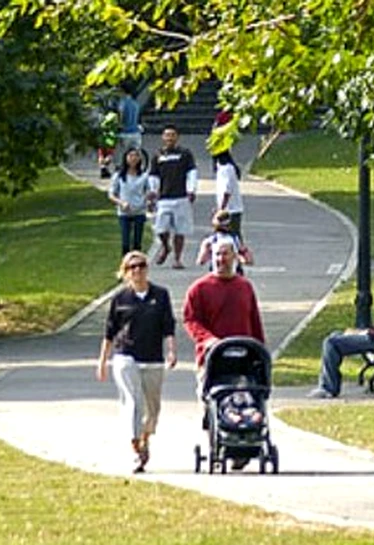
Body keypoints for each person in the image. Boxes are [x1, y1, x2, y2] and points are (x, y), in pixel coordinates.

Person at [184, 240, 265, 470]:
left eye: (225, 255)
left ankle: (246, 441)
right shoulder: (200, 289)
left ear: (235, 257)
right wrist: (207, 339)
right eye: (217, 255)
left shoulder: (244, 287)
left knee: (247, 397)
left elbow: (254, 320)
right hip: (211, 357)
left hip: (244, 358)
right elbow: (191, 320)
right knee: (211, 400)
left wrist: (260, 349)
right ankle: (218, 440)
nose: (221, 259)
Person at [96, 251, 177, 473]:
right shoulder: (120, 299)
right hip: (126, 356)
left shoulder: (160, 295)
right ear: (126, 272)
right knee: (133, 401)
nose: (138, 270)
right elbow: (110, 332)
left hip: (153, 358)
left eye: (141, 265)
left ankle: (145, 439)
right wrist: (102, 361)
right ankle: (135, 446)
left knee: (152, 408)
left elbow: (168, 326)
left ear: (147, 269)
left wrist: (171, 351)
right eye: (132, 267)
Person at [307, 310, 374, 399]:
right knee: (335, 335)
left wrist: (363, 332)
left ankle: (328, 388)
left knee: (330, 343)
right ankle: (329, 383)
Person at [149, 124, 197, 269]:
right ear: (163, 138)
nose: (170, 138)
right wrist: (153, 192)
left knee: (180, 231)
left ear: (177, 137)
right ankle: (165, 246)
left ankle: (177, 258)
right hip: (164, 198)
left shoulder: (185, 154)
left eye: (172, 135)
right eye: (167, 135)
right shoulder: (158, 156)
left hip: (181, 197)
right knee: (161, 229)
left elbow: (191, 173)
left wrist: (191, 189)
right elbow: (153, 175)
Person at [108, 148, 152, 256]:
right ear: (126, 158)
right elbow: (112, 194)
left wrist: (147, 200)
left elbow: (149, 191)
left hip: (139, 211)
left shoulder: (143, 176)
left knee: (137, 242)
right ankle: (126, 264)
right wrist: (121, 203)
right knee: (125, 242)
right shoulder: (119, 176)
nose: (133, 158)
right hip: (124, 212)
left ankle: (137, 264)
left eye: (136, 156)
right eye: (130, 156)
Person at [212, 148, 244, 239]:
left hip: (231, 210)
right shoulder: (221, 168)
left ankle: (241, 252)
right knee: (225, 236)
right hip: (228, 209)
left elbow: (227, 191)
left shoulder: (227, 169)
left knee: (233, 236)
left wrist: (221, 208)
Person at [115, 89, 142, 162]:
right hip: (136, 133)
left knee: (122, 155)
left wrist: (118, 125)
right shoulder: (136, 103)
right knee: (135, 154)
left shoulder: (123, 102)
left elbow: (121, 115)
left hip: (125, 133)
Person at [97, 109, 120, 179]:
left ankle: (102, 169)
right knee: (109, 154)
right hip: (110, 139)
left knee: (101, 154)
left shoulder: (104, 117)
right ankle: (105, 169)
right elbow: (116, 127)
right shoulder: (115, 117)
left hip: (102, 138)